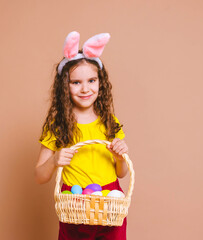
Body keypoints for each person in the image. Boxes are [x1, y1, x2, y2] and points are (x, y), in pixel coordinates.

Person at [35, 31, 129, 240]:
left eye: (91, 80)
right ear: (64, 87)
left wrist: (120, 157)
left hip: (109, 204)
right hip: (75, 203)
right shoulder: (57, 125)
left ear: (100, 83)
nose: (85, 88)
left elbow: (121, 173)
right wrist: (54, 160)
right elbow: (40, 176)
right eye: (76, 82)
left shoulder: (109, 122)